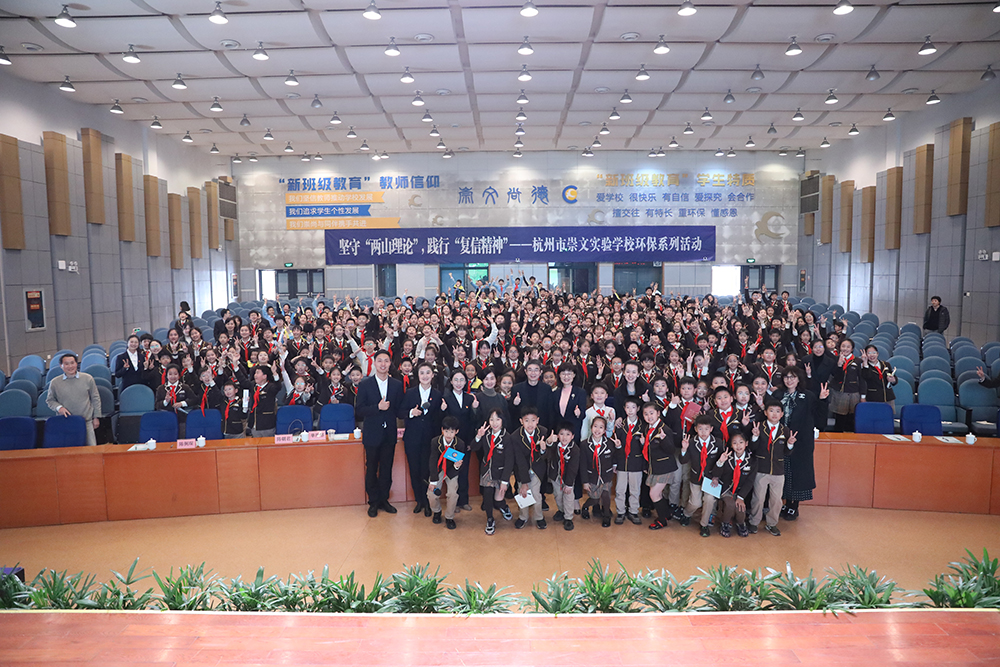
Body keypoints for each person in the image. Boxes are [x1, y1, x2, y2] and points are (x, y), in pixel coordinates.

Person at [771, 367, 829, 522]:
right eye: (786, 377)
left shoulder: (808, 396)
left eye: (793, 377)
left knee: (797, 474)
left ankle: (794, 506)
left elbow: (820, 419)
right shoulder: (777, 394)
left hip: (801, 441)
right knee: (783, 472)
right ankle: (784, 503)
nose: (789, 380)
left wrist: (822, 400)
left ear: (799, 379)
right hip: (781, 439)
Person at [355, 349, 404, 517]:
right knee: (371, 468)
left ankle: (384, 499)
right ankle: (373, 501)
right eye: (380, 361)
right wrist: (377, 407)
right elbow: (359, 410)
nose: (383, 364)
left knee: (386, 468)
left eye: (386, 361)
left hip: (389, 433)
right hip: (372, 434)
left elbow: (399, 409)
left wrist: (412, 411)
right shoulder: (365, 384)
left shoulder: (397, 384)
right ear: (374, 363)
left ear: (390, 364)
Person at [748, 401, 797, 537]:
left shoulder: (785, 430)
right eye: (771, 410)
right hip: (761, 469)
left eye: (777, 411)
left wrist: (790, 444)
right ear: (765, 412)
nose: (774, 414)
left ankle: (772, 523)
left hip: (778, 470)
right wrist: (755, 436)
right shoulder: (759, 427)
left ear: (782, 414)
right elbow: (752, 448)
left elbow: (787, 452)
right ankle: (754, 522)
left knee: (776, 500)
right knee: (758, 498)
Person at [400, 362, 443, 517]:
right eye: (422, 373)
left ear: (432, 375)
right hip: (412, 438)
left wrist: (442, 410)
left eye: (427, 373)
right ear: (418, 375)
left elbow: (440, 419)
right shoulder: (410, 393)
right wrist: (411, 413)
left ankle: (428, 501)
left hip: (430, 439)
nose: (425, 376)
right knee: (414, 470)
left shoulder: (438, 394)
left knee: (428, 470)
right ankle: (419, 500)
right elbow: (400, 412)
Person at [644, 402, 687, 530]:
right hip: (654, 466)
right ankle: (666, 514)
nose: (649, 416)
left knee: (654, 494)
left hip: (664, 467)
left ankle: (662, 520)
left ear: (658, 413)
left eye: (651, 413)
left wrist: (663, 439)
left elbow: (671, 450)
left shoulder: (664, 429)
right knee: (657, 494)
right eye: (646, 414)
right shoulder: (648, 428)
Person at [679, 414, 722, 537]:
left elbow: (721, 463)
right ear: (696, 429)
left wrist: (716, 477)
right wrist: (684, 449)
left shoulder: (718, 443)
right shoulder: (692, 442)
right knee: (695, 503)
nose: (703, 432)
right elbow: (683, 461)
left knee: (709, 500)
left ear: (711, 429)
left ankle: (704, 524)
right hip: (696, 477)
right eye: (700, 429)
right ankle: (687, 514)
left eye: (706, 429)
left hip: (711, 478)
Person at [46, 353, 102, 446]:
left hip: (86, 422)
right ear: (61, 366)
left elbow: (95, 399)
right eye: (66, 364)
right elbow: (50, 400)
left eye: (72, 363)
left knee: (91, 450)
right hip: (66, 423)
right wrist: (59, 408)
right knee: (70, 451)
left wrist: (96, 417)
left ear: (76, 364)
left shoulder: (88, 378)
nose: (70, 366)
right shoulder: (55, 382)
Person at [473, 408, 513, 535]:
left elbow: (509, 461)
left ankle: (504, 507)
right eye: (491, 419)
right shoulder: (486, 434)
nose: (494, 423)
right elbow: (473, 447)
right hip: (487, 471)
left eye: (498, 419)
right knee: (487, 496)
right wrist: (478, 436)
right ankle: (490, 519)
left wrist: (505, 481)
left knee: (498, 500)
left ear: (502, 421)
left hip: (501, 473)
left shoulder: (507, 437)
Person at [511, 407, 552, 530]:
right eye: (526, 420)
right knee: (523, 492)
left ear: (537, 420)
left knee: (536, 494)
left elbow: (547, 456)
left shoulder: (543, 432)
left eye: (533, 420)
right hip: (521, 469)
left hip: (537, 469)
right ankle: (523, 516)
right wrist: (524, 482)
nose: (530, 424)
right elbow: (519, 460)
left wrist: (544, 449)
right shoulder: (515, 436)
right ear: (521, 421)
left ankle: (539, 517)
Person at [713, 430, 756, 538]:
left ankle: (741, 523)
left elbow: (750, 481)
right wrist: (721, 461)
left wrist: (741, 497)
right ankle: (725, 523)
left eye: (741, 442)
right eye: (735, 443)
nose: (738, 445)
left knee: (739, 506)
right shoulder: (727, 456)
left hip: (740, 491)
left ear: (746, 443)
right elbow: (716, 474)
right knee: (730, 504)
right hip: (726, 489)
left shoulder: (752, 461)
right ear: (731, 445)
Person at [426, 415, 464, 529]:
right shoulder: (435, 441)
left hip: (451, 470)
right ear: (442, 430)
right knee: (431, 493)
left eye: (452, 432)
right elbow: (433, 460)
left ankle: (449, 517)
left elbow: (459, 463)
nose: (448, 434)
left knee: (452, 494)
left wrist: (456, 466)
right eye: (446, 431)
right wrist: (433, 481)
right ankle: (436, 511)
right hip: (438, 470)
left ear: (456, 432)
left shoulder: (460, 444)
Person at [612, 395, 644, 525]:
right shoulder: (620, 426)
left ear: (638, 409)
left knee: (635, 490)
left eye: (633, 407)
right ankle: (620, 511)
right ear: (624, 409)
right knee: (620, 489)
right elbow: (615, 444)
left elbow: (647, 448)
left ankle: (633, 511)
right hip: (622, 462)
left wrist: (643, 443)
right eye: (627, 407)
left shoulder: (643, 426)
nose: (630, 410)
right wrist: (615, 462)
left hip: (637, 463)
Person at [581, 415, 616, 527]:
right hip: (592, 477)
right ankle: (585, 507)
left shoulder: (609, 443)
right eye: (595, 426)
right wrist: (585, 481)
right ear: (591, 428)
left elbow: (614, 456)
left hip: (606, 475)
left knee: (605, 495)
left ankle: (606, 515)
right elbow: (583, 465)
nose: (597, 430)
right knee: (595, 499)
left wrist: (615, 465)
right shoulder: (584, 444)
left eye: (601, 427)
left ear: (605, 430)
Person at [544, 422, 579, 530]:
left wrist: (569, 484)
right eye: (562, 434)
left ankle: (568, 517)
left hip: (568, 477)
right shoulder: (555, 446)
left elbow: (573, 469)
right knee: (558, 495)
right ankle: (561, 510)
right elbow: (546, 451)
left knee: (568, 496)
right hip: (556, 476)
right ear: (557, 435)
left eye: (568, 434)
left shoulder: (575, 450)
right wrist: (549, 441)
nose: (564, 437)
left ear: (572, 436)